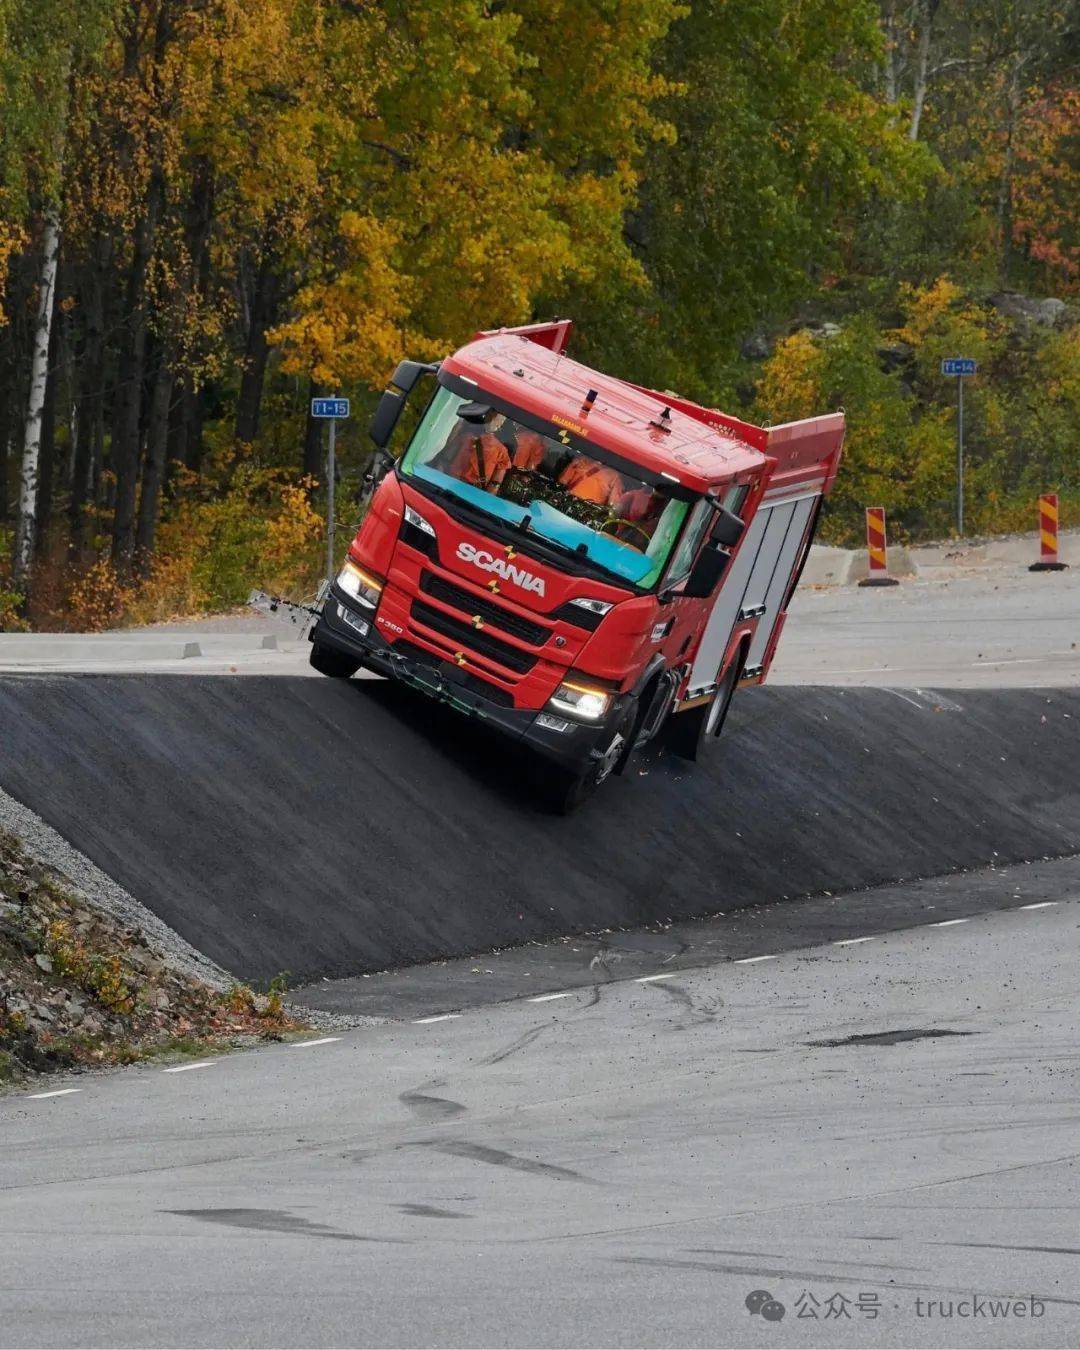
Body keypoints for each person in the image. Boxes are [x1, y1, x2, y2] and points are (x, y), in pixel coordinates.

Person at [558, 454, 625, 507]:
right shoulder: (615, 476)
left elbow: (562, 482)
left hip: (567, 502)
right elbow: (614, 506)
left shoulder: (581, 460)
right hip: (587, 513)